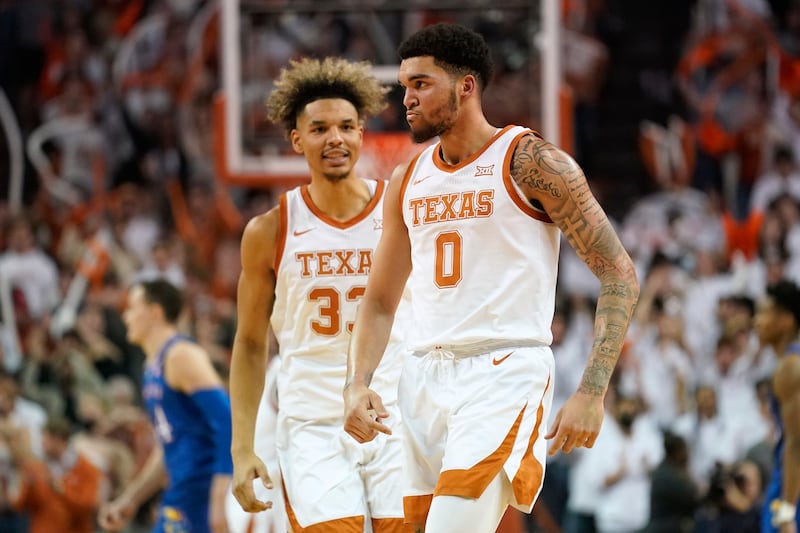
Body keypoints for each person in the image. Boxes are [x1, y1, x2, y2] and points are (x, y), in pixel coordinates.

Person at [343, 22, 640, 533]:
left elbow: (619, 274)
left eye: (421, 84)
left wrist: (592, 392)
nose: (406, 99)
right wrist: (357, 384)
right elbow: (379, 302)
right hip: (419, 378)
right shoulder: (406, 179)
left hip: (502, 371)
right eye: (405, 85)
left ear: (466, 86)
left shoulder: (530, 162)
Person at [229, 57, 407, 532]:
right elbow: (248, 343)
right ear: (297, 139)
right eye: (320, 128)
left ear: (362, 133)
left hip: (395, 411)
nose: (336, 139)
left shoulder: (400, 210)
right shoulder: (270, 229)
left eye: (347, 127)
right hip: (314, 423)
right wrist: (242, 447)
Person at [98, 279, 232, 533]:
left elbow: (227, 420)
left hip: (202, 492)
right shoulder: (152, 367)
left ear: (155, 312)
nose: (125, 316)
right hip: (180, 491)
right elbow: (168, 444)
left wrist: (220, 493)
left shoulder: (181, 355)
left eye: (131, 308)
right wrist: (132, 498)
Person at [754, 280, 800, 533]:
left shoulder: (790, 367)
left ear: (785, 321)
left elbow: (797, 446)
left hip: (793, 484)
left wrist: (786, 513)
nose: (756, 321)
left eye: (764, 313)